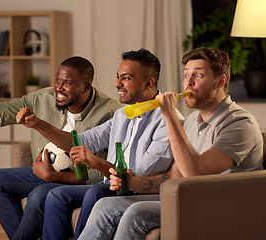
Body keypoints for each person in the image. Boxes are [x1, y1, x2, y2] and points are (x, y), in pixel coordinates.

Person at [78, 47, 264, 240]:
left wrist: (169, 117)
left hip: (221, 206)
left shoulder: (239, 123)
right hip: (190, 199)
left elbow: (195, 174)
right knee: (105, 205)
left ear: (220, 81)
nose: (188, 83)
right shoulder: (192, 121)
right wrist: (131, 182)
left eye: (198, 75)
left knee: (136, 213)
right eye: (186, 75)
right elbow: (174, 176)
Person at [0, 56, 121, 240]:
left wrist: (55, 177)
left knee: (39, 195)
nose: (58, 87)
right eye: (57, 80)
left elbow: (106, 173)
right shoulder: (41, 98)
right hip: (42, 172)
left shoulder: (110, 113)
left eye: (67, 83)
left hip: (76, 181)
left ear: (86, 86)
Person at [16, 48, 184, 239]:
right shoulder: (123, 115)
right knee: (56, 196)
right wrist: (37, 124)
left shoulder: (168, 121)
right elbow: (79, 141)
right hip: (110, 186)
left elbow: (138, 175)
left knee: (96, 191)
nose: (117, 84)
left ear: (149, 83)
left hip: (132, 190)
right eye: (118, 77)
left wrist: (96, 162)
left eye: (126, 78)